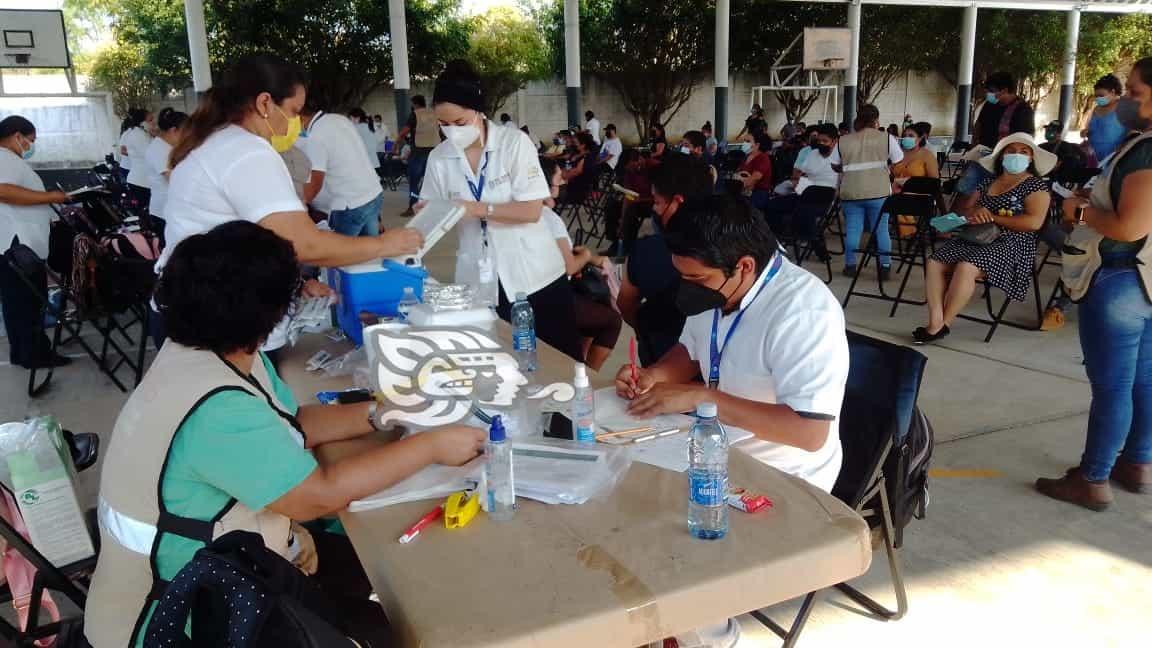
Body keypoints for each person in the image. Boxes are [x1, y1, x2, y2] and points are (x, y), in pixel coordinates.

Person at [84, 221, 485, 648]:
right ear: (270, 314)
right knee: (393, 616)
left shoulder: (212, 350)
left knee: (380, 573)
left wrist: (383, 413)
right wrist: (431, 445)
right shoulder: (217, 407)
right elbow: (316, 496)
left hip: (223, 567)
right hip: (176, 618)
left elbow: (290, 426)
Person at [153, 54, 420, 345]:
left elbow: (246, 239)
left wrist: (295, 284)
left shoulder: (217, 141)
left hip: (198, 309)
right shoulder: (246, 152)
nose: (294, 123)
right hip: (213, 322)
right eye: (294, 112)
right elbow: (303, 245)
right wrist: (385, 245)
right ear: (265, 103)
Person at [616, 193, 847, 491]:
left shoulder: (804, 312)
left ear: (744, 266)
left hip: (785, 475)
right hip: (715, 447)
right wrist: (652, 377)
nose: (687, 286)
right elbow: (691, 350)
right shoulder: (720, 285)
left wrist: (702, 398)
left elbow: (809, 433)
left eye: (697, 278)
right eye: (682, 275)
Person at [1034, 58, 1152, 510]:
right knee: (1143, 381)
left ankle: (1093, 477)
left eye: (1136, 91)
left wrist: (1078, 212)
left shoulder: (1146, 151)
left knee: (1113, 387)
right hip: (1147, 281)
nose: (1126, 100)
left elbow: (1128, 226)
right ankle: (1138, 463)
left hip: (1122, 278)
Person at [418, 59, 583, 361]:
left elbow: (532, 211)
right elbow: (431, 209)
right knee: (500, 366)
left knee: (561, 362)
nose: (451, 131)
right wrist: (429, 215)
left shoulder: (513, 144)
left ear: (478, 111)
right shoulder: (439, 159)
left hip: (536, 275)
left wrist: (475, 208)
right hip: (479, 280)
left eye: (459, 123)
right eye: (443, 124)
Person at [914, 133, 1054, 344]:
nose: (1017, 155)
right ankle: (936, 320)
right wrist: (964, 217)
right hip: (977, 235)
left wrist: (994, 217)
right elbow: (967, 210)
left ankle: (944, 324)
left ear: (1031, 158)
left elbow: (1033, 223)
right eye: (1011, 151)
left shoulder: (1035, 186)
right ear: (1001, 156)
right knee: (934, 261)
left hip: (1012, 243)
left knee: (966, 266)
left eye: (1024, 151)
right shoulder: (988, 181)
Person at [618, 155, 713, 365]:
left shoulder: (647, 251)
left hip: (663, 358)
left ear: (677, 201)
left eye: (658, 202)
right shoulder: (735, 245)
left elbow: (626, 305)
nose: (654, 209)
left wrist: (645, 328)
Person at [0, 115, 71, 369]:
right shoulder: (4, 158)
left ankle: (23, 352)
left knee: (17, 301)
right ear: (17, 136)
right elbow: (3, 190)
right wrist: (51, 196)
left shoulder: (9, 159)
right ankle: (35, 354)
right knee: (29, 301)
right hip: (19, 245)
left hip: (16, 243)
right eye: (30, 140)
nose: (31, 146)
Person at [540, 159, 621, 370]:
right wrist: (585, 257)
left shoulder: (521, 214)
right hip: (552, 296)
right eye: (559, 181)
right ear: (544, 186)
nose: (564, 185)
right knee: (612, 321)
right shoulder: (549, 218)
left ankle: (581, 362)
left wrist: (588, 257)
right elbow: (569, 267)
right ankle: (588, 376)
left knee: (594, 302)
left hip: (537, 292)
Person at [837, 104, 904, 279]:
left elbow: (837, 165)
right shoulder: (887, 138)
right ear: (876, 119)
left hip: (850, 192)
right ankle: (885, 268)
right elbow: (898, 159)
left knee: (853, 229)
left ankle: (850, 266)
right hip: (878, 192)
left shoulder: (843, 140)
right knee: (881, 230)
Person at [299, 103, 385, 237]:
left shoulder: (315, 136)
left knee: (341, 253)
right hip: (374, 194)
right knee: (370, 250)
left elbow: (315, 183)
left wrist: (296, 207)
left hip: (351, 205)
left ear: (300, 117)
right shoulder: (339, 119)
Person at [141, 107, 188, 238]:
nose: (188, 137)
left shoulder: (168, 147)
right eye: (186, 132)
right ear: (174, 131)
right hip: (163, 212)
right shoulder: (159, 149)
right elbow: (174, 178)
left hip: (173, 209)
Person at [395, 94, 440, 216]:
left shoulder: (415, 114)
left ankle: (412, 207)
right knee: (431, 182)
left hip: (418, 152)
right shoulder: (434, 114)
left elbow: (404, 132)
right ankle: (432, 208)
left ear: (414, 104)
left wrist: (396, 144)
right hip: (434, 152)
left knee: (414, 182)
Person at [975, 72, 1036, 149]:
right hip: (983, 153)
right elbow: (979, 126)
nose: (987, 94)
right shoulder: (989, 105)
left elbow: (1025, 139)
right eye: (987, 90)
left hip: (1005, 155)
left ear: (1004, 90)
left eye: (991, 91)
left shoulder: (1023, 110)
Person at [1084, 74, 1127, 166]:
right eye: (1096, 96)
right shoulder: (1096, 109)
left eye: (1101, 95)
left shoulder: (1124, 107)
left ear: (1113, 92)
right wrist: (1085, 132)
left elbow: (1133, 132)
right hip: (1092, 159)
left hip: (1113, 160)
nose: (1098, 98)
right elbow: (1090, 129)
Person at [119, 107, 154, 204]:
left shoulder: (143, 133)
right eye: (150, 120)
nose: (153, 122)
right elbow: (150, 155)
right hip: (141, 181)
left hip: (144, 180)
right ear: (141, 122)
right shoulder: (137, 135)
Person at [737, 133, 774, 210]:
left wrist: (736, 184)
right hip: (744, 190)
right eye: (744, 140)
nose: (744, 143)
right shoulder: (747, 156)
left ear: (757, 145)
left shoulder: (763, 158)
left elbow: (754, 179)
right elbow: (738, 173)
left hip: (758, 194)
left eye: (747, 141)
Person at [346, 107, 381, 174]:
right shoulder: (369, 126)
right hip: (374, 162)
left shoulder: (357, 128)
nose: (350, 121)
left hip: (364, 164)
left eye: (350, 119)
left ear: (357, 118)